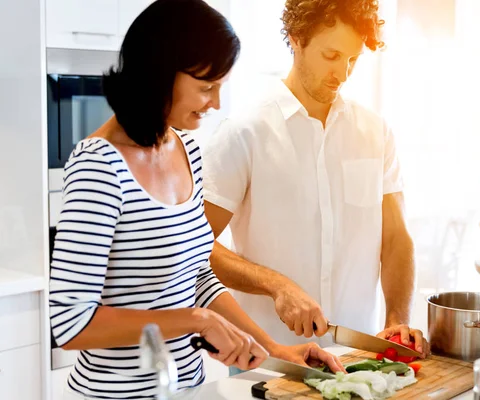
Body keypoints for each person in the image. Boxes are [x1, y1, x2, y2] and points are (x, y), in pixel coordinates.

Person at [49, 1, 344, 399]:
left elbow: (198, 276)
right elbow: (71, 323)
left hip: (187, 389)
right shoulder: (98, 166)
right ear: (159, 75)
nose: (216, 103)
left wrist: (274, 350)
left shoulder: (186, 149)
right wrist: (195, 321)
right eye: (207, 87)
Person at [202, 0, 430, 364]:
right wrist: (275, 285)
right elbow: (194, 246)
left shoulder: (375, 133)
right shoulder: (244, 133)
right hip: (273, 364)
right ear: (296, 39)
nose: (342, 72)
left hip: (359, 361)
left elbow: (395, 238)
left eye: (353, 59)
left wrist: (396, 320)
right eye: (331, 55)